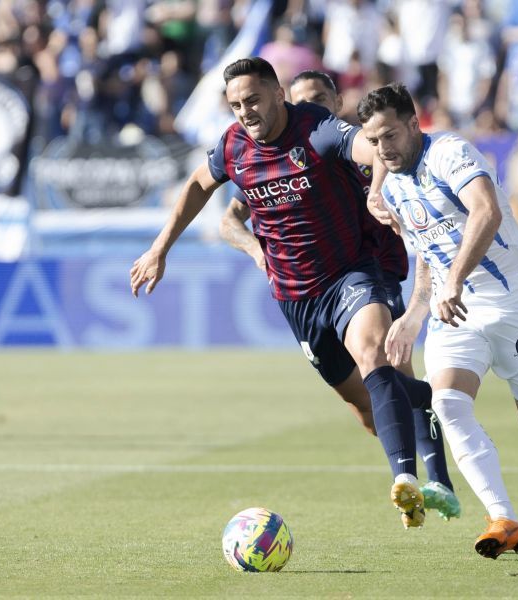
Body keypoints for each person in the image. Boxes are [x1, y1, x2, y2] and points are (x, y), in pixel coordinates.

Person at [130, 58, 431, 528]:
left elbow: (372, 150)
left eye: (252, 99)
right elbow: (197, 185)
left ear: (277, 93)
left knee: (373, 352)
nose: (245, 111)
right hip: (296, 296)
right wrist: (159, 248)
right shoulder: (233, 146)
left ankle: (406, 480)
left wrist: (376, 191)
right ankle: (421, 401)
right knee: (364, 405)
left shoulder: (317, 129)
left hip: (350, 273)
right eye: (235, 105)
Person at [218, 69, 461, 521]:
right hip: (310, 288)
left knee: (385, 360)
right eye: (301, 99)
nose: (309, 107)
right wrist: (255, 249)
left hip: (372, 267)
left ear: (336, 102)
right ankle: (419, 409)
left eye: (318, 98)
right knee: (368, 406)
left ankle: (433, 481)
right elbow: (230, 217)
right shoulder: (284, 154)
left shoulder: (358, 145)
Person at [357, 82, 518, 559]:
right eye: (373, 141)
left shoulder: (449, 152)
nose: (382, 149)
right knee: (448, 404)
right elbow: (428, 254)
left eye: (390, 135)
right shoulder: (392, 186)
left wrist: (455, 278)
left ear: (413, 124)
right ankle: (503, 518)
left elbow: (487, 211)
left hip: (512, 301)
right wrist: (414, 314)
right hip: (454, 311)